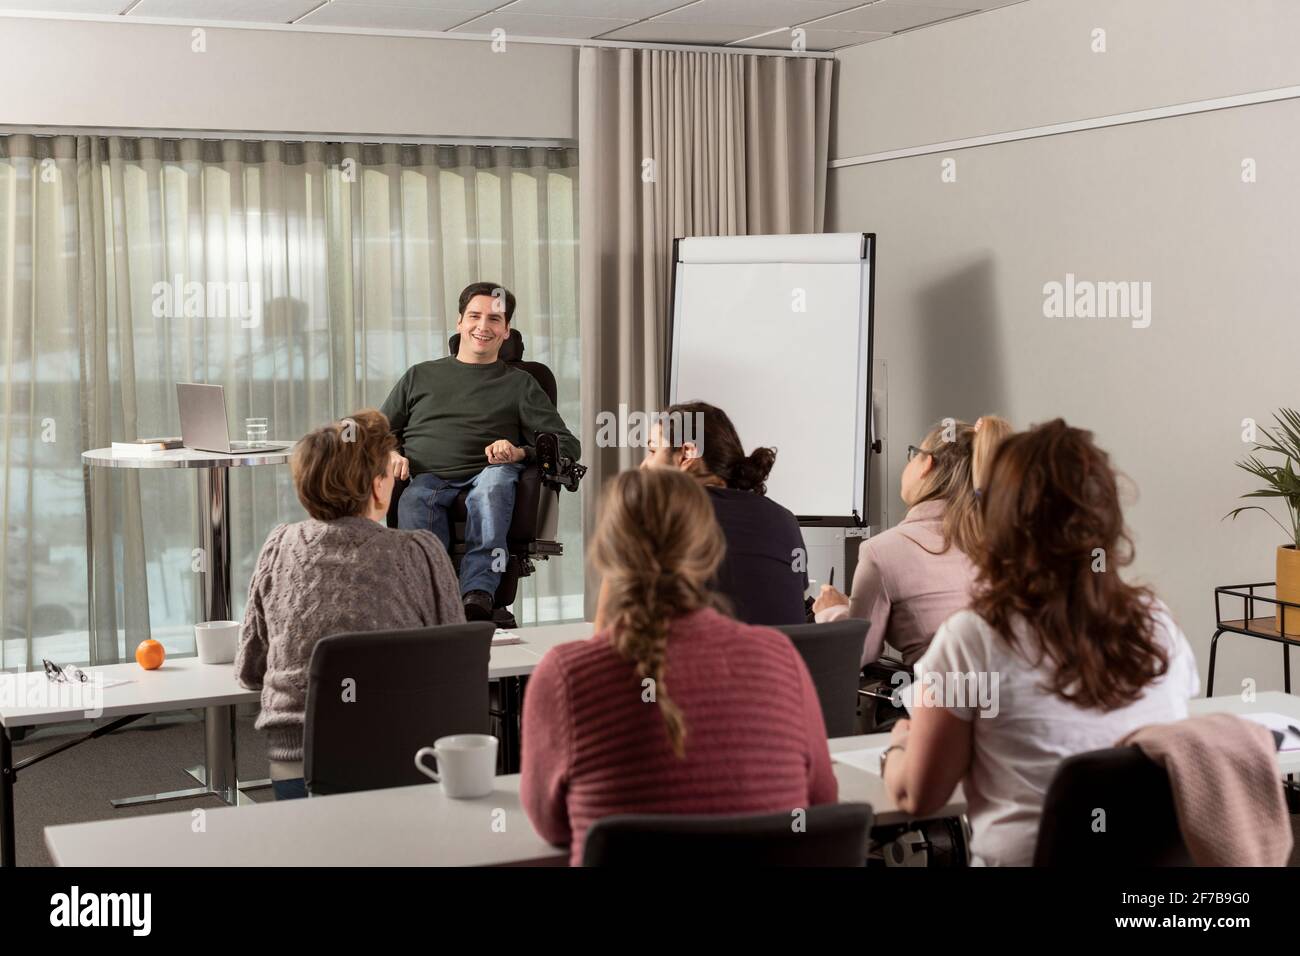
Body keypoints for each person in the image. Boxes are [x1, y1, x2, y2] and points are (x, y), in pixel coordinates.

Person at [880, 419, 1199, 866]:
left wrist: (899, 742)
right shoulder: (1158, 625)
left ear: (1001, 518)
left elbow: (918, 796)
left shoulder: (974, 638)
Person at [520, 468, 838, 865]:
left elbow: (550, 826)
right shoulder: (781, 658)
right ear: (710, 551)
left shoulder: (565, 674)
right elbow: (823, 801)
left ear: (605, 554)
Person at [235, 409, 465, 800]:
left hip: (299, 762)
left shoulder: (278, 547)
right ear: (378, 487)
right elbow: (456, 666)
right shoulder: (421, 552)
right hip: (406, 759)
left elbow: (251, 669)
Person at [381, 281, 580, 621]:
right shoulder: (420, 376)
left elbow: (567, 444)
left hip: (490, 472)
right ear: (459, 322)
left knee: (493, 487)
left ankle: (477, 595)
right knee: (414, 499)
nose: (483, 327)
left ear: (506, 331)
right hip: (429, 477)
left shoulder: (520, 383)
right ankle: (429, 598)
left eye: (494, 320)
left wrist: (519, 452)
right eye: (474, 316)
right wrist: (389, 453)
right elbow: (378, 430)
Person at [813, 416, 1011, 666]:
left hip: (942, 701)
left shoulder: (882, 550)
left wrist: (831, 611)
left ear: (926, 463)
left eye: (912, 454)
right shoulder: (1004, 542)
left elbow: (858, 652)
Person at [640, 401, 808, 625]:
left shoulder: (661, 518)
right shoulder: (786, 520)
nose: (643, 466)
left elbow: (613, 629)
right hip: (782, 659)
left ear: (686, 455)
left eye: (652, 451)